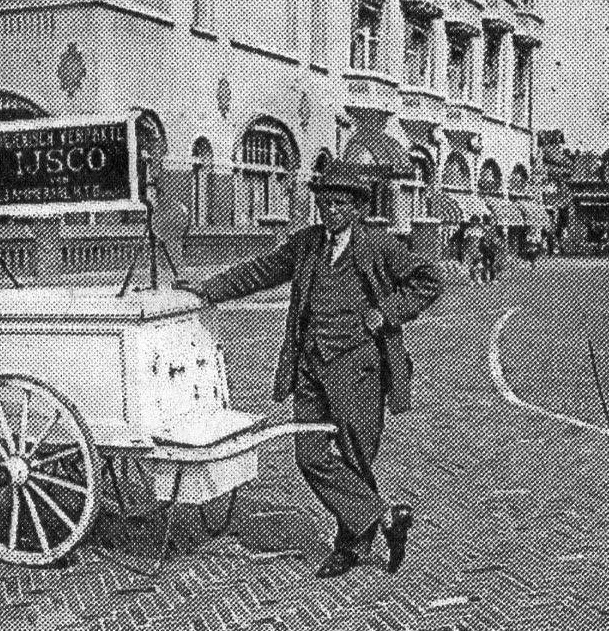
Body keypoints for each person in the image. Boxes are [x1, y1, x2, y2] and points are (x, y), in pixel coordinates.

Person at [175, 160, 444, 578]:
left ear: (357, 207)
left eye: (340, 203)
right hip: (310, 368)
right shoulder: (306, 244)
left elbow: (429, 279)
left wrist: (387, 312)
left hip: (358, 370)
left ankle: (350, 547)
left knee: (355, 457)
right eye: (325, 202)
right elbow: (261, 271)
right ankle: (385, 516)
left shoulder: (379, 245)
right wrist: (208, 289)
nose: (331, 210)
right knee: (309, 456)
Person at [479, 214, 499, 284]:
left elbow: (493, 239)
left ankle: (489, 278)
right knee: (488, 265)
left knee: (489, 264)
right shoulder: (486, 229)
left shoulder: (486, 228)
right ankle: (487, 278)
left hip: (488, 249)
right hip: (486, 249)